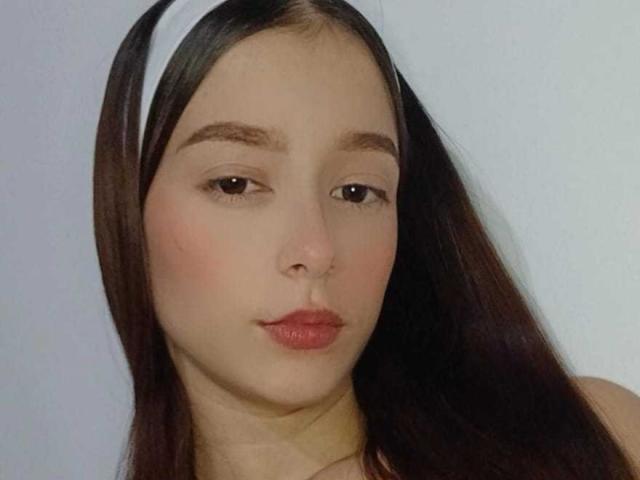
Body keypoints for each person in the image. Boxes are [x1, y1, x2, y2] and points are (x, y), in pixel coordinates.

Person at [93, 1, 640, 479]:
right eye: (235, 183)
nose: (316, 250)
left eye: (356, 192)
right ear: (128, 209)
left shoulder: (591, 439)